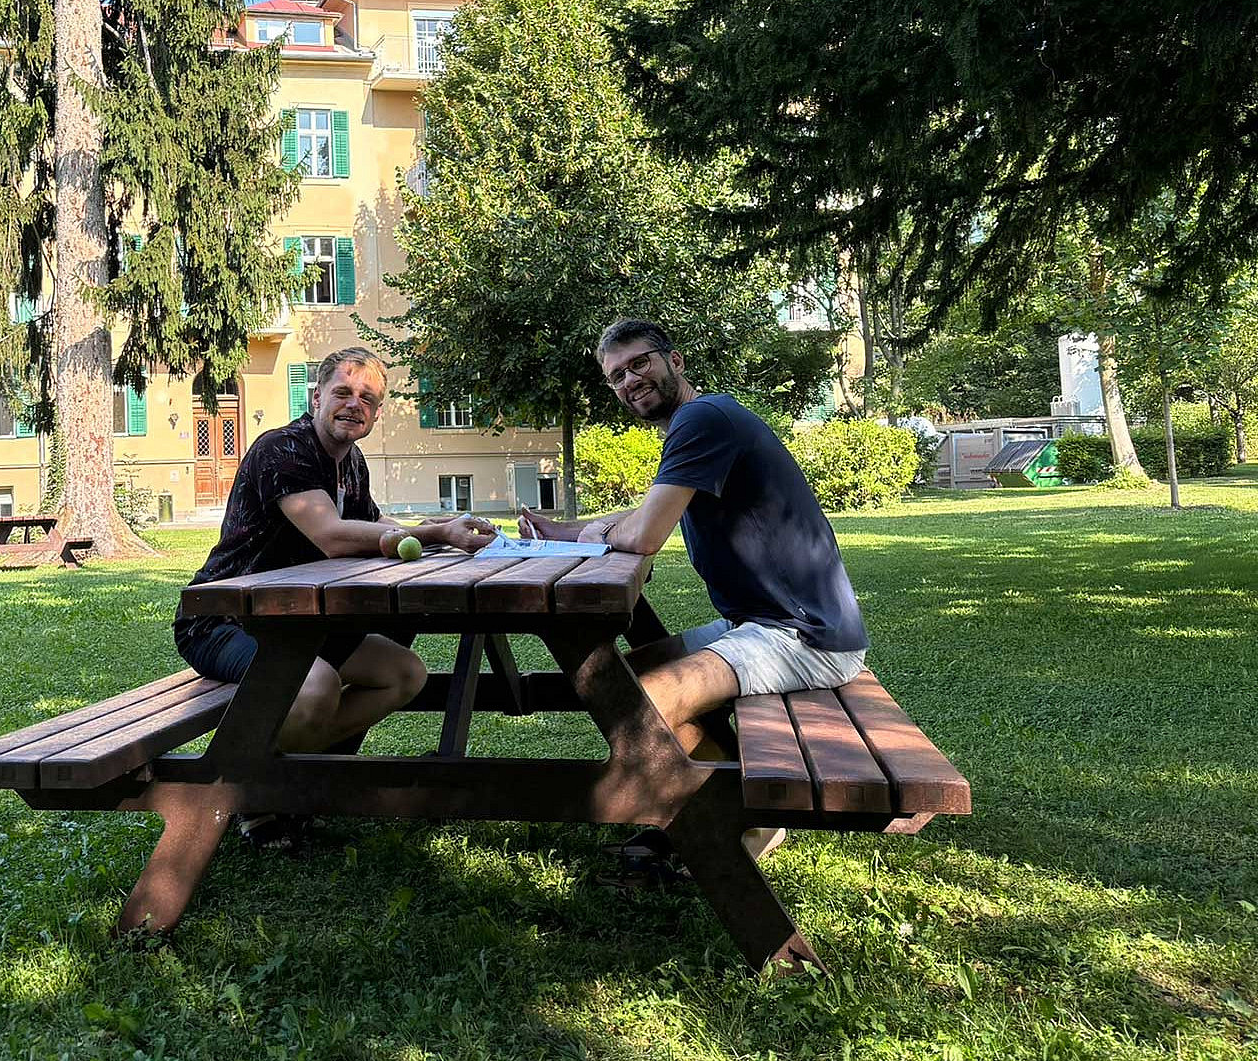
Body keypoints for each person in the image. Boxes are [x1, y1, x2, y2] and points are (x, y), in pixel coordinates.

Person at [519, 318, 870, 860]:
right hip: (764, 625)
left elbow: (646, 534)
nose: (630, 380)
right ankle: (734, 809)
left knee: (635, 704)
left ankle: (732, 825)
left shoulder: (702, 419)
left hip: (802, 636)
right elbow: (641, 516)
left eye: (640, 363)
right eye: (617, 375)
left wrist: (598, 532)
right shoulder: (702, 422)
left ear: (675, 361)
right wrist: (565, 531)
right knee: (619, 679)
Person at [175, 346, 497, 762]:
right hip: (223, 621)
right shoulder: (284, 449)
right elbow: (333, 536)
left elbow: (379, 527)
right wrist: (436, 532)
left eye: (367, 399)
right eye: (342, 392)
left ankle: (290, 770)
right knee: (316, 686)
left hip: (297, 621)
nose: (353, 405)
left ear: (377, 414)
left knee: (404, 674)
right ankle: (257, 789)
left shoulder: (352, 462)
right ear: (316, 398)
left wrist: (447, 534)